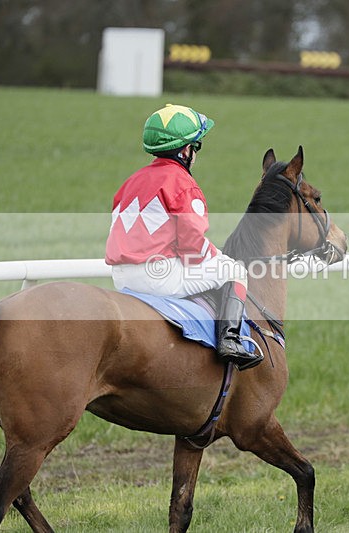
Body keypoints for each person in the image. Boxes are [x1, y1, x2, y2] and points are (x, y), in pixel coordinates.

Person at [105, 104, 262, 370]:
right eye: (195, 146)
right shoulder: (182, 183)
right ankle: (230, 341)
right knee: (234, 270)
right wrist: (217, 256)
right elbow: (192, 249)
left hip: (121, 275)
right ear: (186, 150)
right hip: (158, 277)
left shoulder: (131, 181)